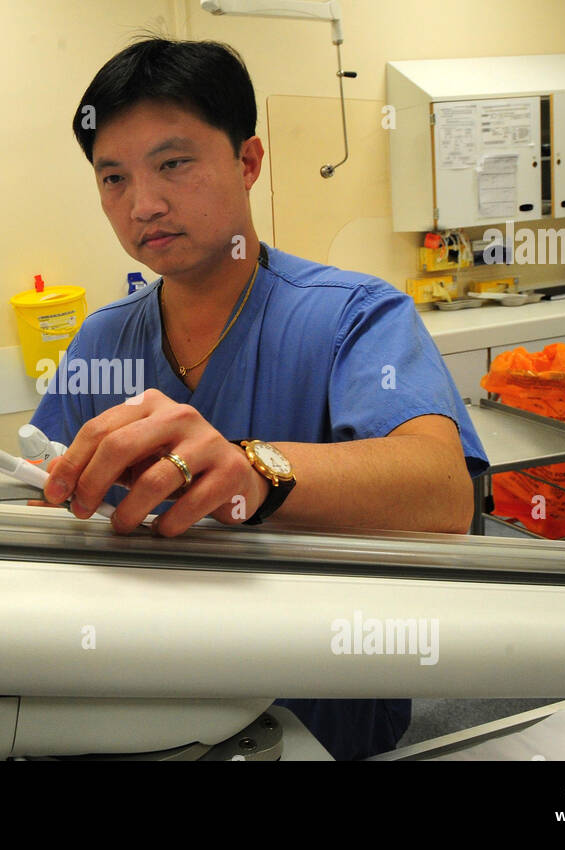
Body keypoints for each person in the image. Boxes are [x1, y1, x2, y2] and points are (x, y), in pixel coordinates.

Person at [29, 37, 489, 760]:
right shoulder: (102, 342)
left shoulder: (354, 317)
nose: (143, 204)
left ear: (248, 162)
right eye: (113, 178)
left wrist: (255, 470)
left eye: (173, 164)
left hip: (318, 710)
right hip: (144, 706)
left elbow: (443, 494)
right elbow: (41, 503)